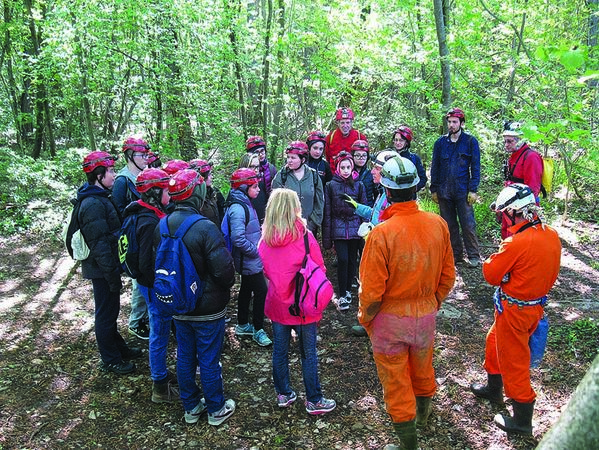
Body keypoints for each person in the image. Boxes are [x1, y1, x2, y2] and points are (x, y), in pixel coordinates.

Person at [358, 156, 455, 450]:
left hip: (389, 320)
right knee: (423, 366)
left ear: (386, 192)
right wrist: (432, 302)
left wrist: (366, 318)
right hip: (425, 314)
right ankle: (423, 417)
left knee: (396, 379)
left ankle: (408, 443)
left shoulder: (381, 235)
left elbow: (371, 292)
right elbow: (448, 275)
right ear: (416, 189)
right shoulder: (438, 224)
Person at [470, 183, 560, 436]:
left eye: (503, 214)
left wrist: (499, 265)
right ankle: (493, 389)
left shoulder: (516, 243)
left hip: (515, 311)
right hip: (532, 307)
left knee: (514, 362)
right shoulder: (550, 234)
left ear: (513, 212)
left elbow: (490, 273)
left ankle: (522, 419)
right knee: (493, 341)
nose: (503, 219)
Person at [154, 169, 237, 426]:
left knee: (185, 355)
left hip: (177, 303)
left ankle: (191, 407)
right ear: (197, 194)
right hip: (207, 308)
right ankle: (216, 408)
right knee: (209, 359)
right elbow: (225, 272)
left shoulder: (162, 224)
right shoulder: (204, 227)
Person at [258, 188, 337, 416]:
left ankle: (283, 393)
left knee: (280, 351)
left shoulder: (265, 239)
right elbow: (320, 267)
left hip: (277, 304)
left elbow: (263, 268)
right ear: (294, 208)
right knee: (307, 352)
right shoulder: (304, 235)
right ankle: (314, 399)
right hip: (303, 304)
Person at [79, 151, 142, 375]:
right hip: (101, 269)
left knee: (110, 311)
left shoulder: (100, 198)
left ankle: (119, 349)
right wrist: (111, 274)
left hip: (106, 267)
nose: (114, 175)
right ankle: (110, 359)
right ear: (98, 175)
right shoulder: (92, 204)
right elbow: (100, 245)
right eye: (111, 171)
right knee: (105, 314)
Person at [121, 168, 178, 402]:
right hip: (153, 285)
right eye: (165, 190)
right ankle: (159, 385)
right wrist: (160, 285)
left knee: (160, 329)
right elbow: (147, 261)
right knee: (159, 331)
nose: (169, 195)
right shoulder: (149, 221)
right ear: (155, 193)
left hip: (149, 283)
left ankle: (161, 374)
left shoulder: (143, 212)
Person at [346, 148, 399, 337]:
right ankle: (370, 323)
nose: (373, 172)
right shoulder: (384, 193)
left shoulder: (394, 198)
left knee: (382, 289)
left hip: (385, 251)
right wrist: (357, 207)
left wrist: (373, 233)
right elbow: (376, 215)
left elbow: (393, 227)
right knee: (371, 288)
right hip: (376, 246)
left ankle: (382, 327)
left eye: (377, 168)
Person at [430, 108, 482, 267]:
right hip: (444, 191)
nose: (451, 125)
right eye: (449, 122)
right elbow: (435, 167)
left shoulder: (470, 142)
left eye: (454, 122)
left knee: (468, 224)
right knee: (449, 225)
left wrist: (473, 189)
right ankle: (455, 255)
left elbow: (476, 166)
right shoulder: (440, 143)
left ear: (461, 123)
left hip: (463, 191)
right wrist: (434, 189)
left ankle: (474, 256)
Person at [227, 168, 272, 347]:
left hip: (250, 259)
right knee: (261, 291)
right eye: (254, 186)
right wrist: (255, 251)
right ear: (244, 188)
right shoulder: (238, 208)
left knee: (246, 289)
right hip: (249, 259)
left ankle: (242, 323)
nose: (258, 189)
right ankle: (258, 329)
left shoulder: (245, 203)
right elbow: (238, 238)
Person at [112, 137, 152, 339]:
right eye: (141, 155)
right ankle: (136, 321)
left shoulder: (144, 176)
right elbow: (118, 213)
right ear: (130, 156)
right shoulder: (122, 180)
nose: (145, 158)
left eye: (146, 154)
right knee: (138, 279)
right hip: (132, 235)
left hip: (145, 232)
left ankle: (143, 317)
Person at [322, 151, 367, 311]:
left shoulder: (359, 185)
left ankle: (348, 290)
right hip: (338, 228)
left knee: (352, 260)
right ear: (338, 168)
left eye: (349, 167)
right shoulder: (331, 186)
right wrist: (327, 237)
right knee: (342, 259)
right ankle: (341, 294)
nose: (346, 170)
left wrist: (365, 231)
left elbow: (364, 209)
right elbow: (327, 211)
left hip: (355, 228)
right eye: (343, 167)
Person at [501, 121, 544, 238]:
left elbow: (533, 188)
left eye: (510, 141)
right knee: (507, 236)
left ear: (520, 140)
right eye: (505, 141)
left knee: (521, 238)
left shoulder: (531, 157)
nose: (506, 144)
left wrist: (522, 212)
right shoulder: (514, 156)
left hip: (521, 209)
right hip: (510, 205)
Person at [272, 141, 324, 234]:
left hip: (309, 229)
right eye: (288, 157)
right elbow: (275, 203)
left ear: (303, 160)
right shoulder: (281, 176)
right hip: (287, 228)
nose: (289, 161)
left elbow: (319, 202)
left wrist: (312, 224)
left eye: (293, 158)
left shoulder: (313, 175)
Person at [245, 136, 277, 223]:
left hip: (268, 207)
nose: (261, 154)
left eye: (262, 151)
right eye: (257, 152)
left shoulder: (271, 169)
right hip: (253, 207)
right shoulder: (244, 171)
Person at [325, 107, 367, 173]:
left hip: (354, 177)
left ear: (351, 123)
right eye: (342, 123)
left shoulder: (360, 137)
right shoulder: (330, 137)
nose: (345, 126)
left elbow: (365, 157)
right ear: (338, 123)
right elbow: (327, 157)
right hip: (334, 177)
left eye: (347, 122)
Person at [392, 126, 427, 196]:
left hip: (410, 198)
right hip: (392, 198)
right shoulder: (390, 157)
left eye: (401, 140)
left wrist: (413, 189)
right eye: (396, 140)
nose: (398, 143)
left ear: (407, 142)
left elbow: (423, 178)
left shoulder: (414, 158)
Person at [189, 159, 225, 226]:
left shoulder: (214, 192)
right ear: (201, 177)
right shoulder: (194, 198)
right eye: (209, 174)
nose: (211, 177)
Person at [351, 140, 375, 207]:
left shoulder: (371, 174)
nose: (361, 158)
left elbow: (376, 195)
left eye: (364, 155)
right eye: (358, 155)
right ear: (353, 156)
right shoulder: (347, 173)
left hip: (368, 209)